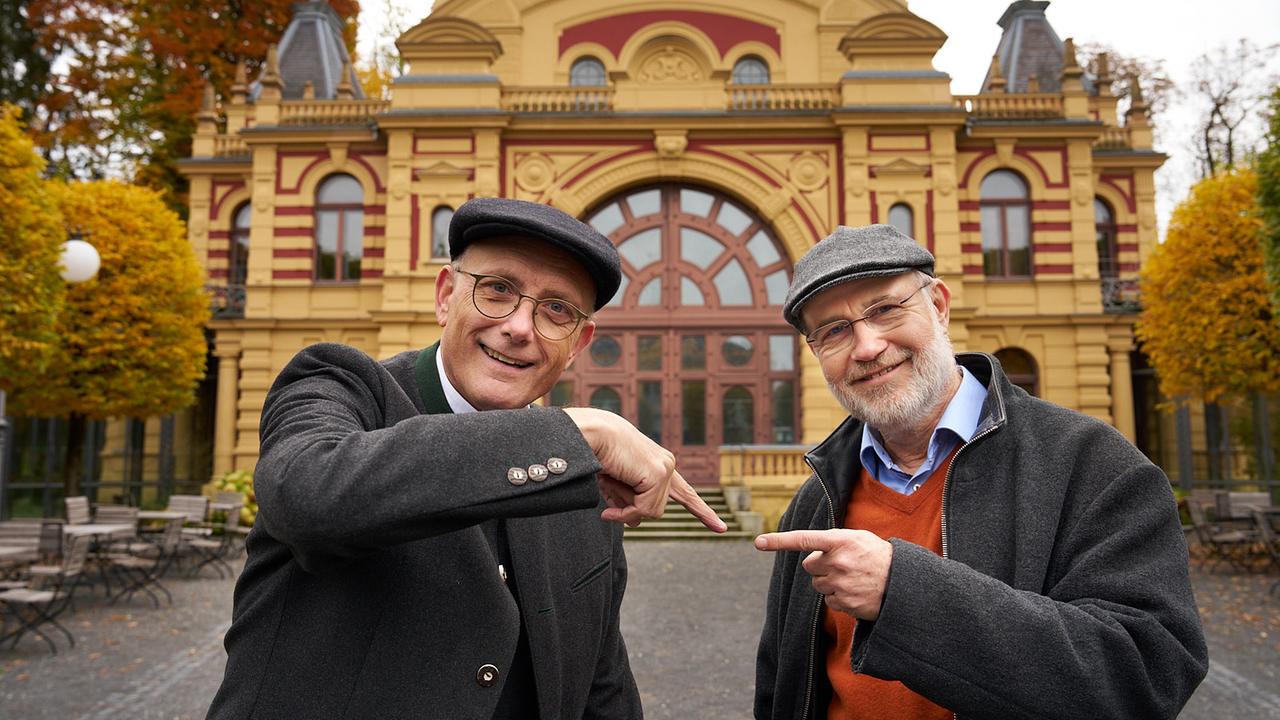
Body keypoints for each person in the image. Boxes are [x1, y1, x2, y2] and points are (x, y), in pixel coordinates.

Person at [207, 197, 725, 720]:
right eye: (498, 289)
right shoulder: (338, 385)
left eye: (556, 309)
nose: (520, 326)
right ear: (445, 296)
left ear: (577, 344)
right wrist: (575, 433)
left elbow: (601, 687)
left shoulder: (586, 485)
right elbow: (307, 496)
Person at [753, 225, 1207, 719]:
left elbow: (1145, 678)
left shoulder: (1093, 466)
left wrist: (905, 593)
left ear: (940, 306)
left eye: (884, 309)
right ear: (817, 353)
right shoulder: (817, 499)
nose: (866, 346)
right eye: (834, 331)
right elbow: (779, 689)